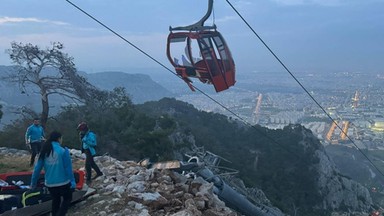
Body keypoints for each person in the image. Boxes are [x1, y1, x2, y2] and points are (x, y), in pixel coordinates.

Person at [30, 131, 76, 216]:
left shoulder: (44, 151)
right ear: (59, 139)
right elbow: (68, 168)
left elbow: (37, 169)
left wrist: (33, 183)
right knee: (67, 198)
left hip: (50, 183)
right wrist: (72, 182)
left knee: (56, 200)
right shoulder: (63, 151)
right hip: (63, 182)